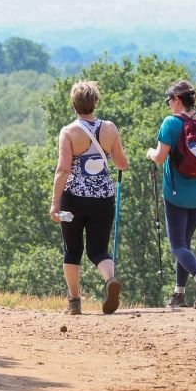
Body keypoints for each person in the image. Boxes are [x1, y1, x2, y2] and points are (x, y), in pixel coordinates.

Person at [146, 80, 196, 309]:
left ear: (177, 99)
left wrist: (150, 153)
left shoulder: (170, 123)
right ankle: (179, 295)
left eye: (168, 100)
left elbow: (160, 158)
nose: (168, 105)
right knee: (185, 245)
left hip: (175, 192)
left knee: (177, 246)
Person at [50, 80, 128, 315]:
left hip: (73, 198)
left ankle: (74, 302)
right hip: (103, 197)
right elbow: (122, 163)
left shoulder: (69, 132)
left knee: (72, 250)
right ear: (95, 102)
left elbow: (63, 169)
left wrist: (55, 203)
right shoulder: (110, 128)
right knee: (98, 250)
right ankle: (109, 280)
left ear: (74, 104)